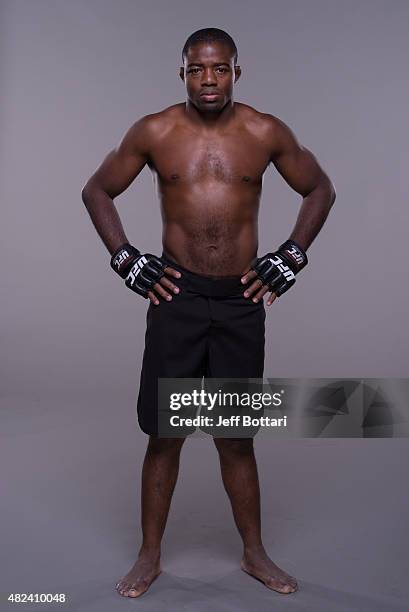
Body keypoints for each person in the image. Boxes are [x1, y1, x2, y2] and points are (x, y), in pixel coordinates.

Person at [82, 27, 336, 598]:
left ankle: (254, 553)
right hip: (177, 298)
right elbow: (97, 190)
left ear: (236, 72)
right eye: (197, 69)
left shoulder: (265, 131)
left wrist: (293, 255)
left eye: (219, 68)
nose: (208, 79)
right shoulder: (155, 130)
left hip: (242, 302)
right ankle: (149, 556)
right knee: (165, 435)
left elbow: (319, 188)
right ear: (183, 74)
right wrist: (124, 259)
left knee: (236, 436)